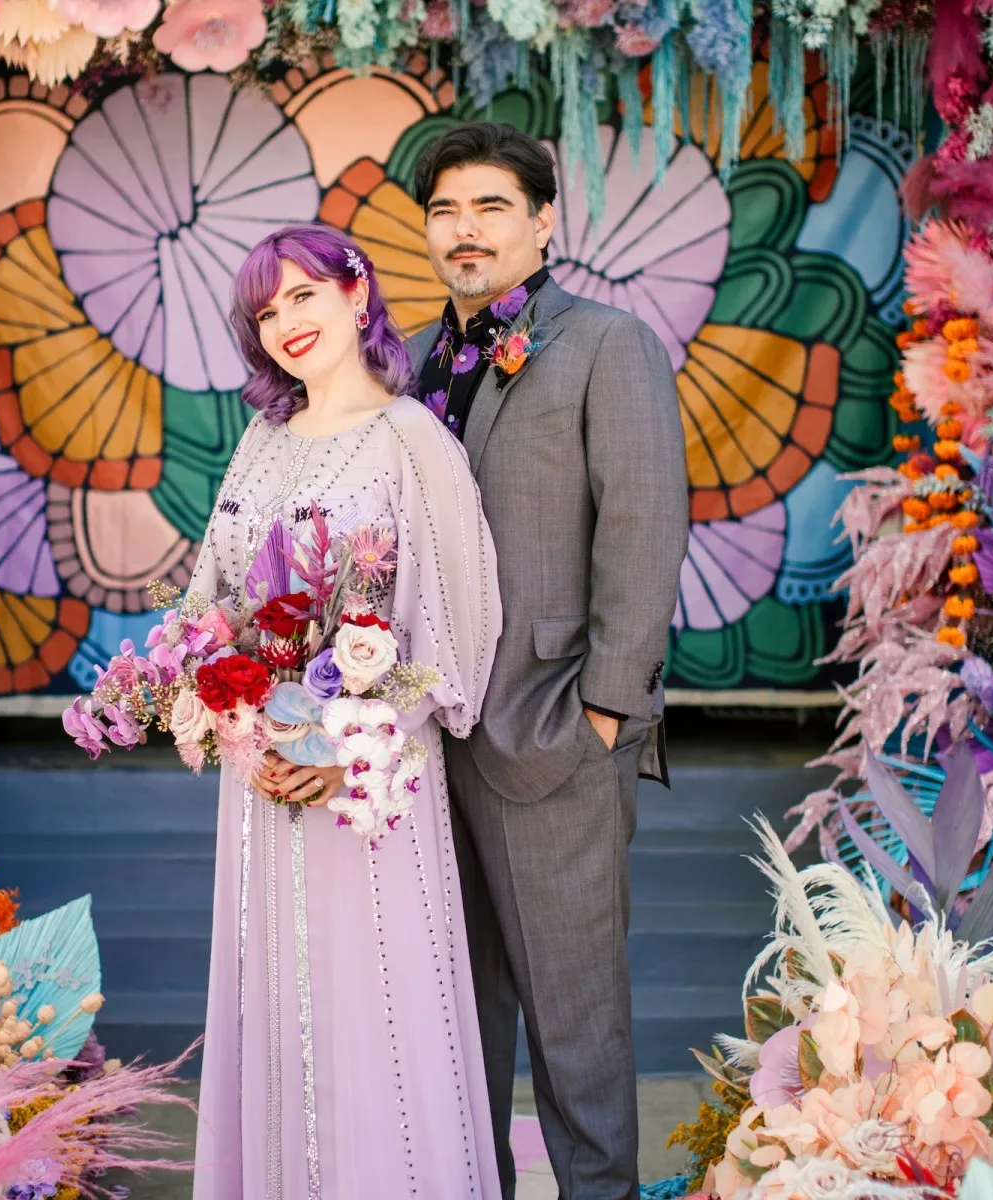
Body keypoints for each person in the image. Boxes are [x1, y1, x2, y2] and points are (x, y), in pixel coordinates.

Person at [189, 223, 504, 1199]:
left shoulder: (413, 439)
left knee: (376, 1024)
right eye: (266, 309)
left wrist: (351, 744)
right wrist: (230, 718)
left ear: (358, 295)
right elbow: (210, 604)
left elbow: (460, 626)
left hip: (368, 790)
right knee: (279, 1018)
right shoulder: (261, 439)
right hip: (265, 784)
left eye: (304, 296)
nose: (285, 321)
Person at [408, 123, 689, 1200]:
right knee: (453, 1019)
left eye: (489, 208)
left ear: (541, 222)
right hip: (433, 740)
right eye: (445, 210)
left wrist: (608, 712)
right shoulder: (421, 361)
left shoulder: (603, 345)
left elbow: (644, 525)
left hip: (557, 728)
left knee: (574, 1019)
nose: (465, 229)